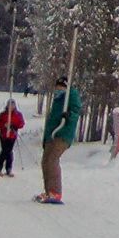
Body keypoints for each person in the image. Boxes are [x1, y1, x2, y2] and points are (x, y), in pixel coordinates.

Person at [37, 76, 82, 204]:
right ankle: (48, 191)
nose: (58, 90)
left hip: (63, 133)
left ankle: (55, 191)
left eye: (60, 87)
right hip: (53, 133)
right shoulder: (58, 99)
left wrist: (69, 116)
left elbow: (76, 111)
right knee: (45, 161)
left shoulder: (71, 95)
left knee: (52, 159)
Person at [0, 98, 24, 177]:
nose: (11, 107)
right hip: (3, 135)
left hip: (12, 135)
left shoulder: (18, 114)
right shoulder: (3, 114)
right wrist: (4, 125)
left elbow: (21, 124)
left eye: (12, 105)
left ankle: (8, 168)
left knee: (9, 151)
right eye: (9, 105)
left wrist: (14, 126)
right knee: (4, 150)